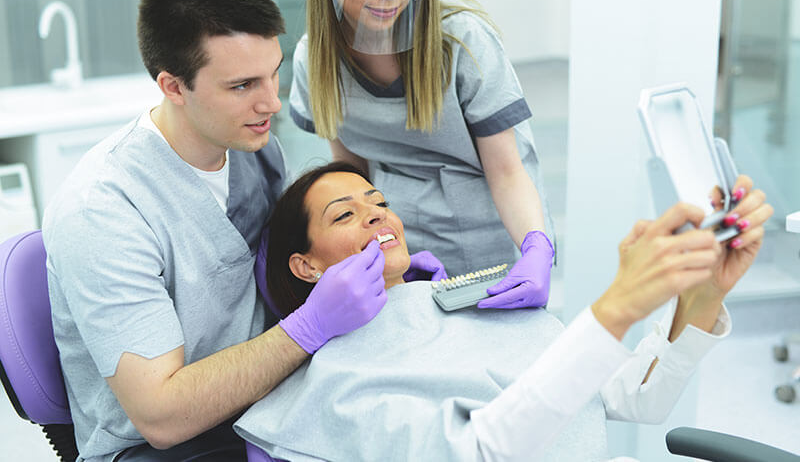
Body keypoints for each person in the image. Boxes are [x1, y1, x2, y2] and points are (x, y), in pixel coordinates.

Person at [42, 0, 444, 462]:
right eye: (242, 86)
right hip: (174, 447)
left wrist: (392, 286)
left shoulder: (254, 152)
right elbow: (161, 416)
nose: (272, 104)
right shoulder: (102, 211)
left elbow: (292, 268)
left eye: (274, 75)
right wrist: (311, 325)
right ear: (173, 87)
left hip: (271, 401)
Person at [235, 162, 773, 461]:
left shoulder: (467, 304)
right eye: (346, 215)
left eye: (379, 202)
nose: (378, 217)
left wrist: (701, 300)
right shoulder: (335, 379)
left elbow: (635, 397)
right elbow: (478, 454)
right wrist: (617, 308)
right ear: (306, 266)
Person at [290, 0, 555, 309]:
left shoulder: (462, 41)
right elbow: (350, 171)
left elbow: (508, 172)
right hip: (394, 245)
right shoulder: (313, 60)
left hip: (487, 238)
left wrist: (536, 248)